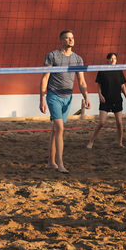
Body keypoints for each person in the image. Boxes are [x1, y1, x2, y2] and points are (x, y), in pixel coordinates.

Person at [39, 29, 90, 173]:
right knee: (60, 128)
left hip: (68, 97)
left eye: (72, 38)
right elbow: (45, 78)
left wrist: (86, 97)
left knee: (56, 130)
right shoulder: (52, 56)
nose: (70, 40)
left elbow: (81, 81)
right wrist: (42, 98)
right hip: (53, 95)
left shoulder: (78, 59)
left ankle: (51, 161)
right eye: (67, 38)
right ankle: (60, 164)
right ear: (61, 40)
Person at [86, 52, 126, 148]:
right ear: (107, 60)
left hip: (117, 99)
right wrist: (100, 95)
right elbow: (99, 85)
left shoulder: (119, 70)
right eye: (111, 58)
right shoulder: (102, 70)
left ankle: (119, 143)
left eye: (114, 58)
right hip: (105, 100)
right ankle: (91, 142)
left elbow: (122, 85)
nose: (112, 60)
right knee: (101, 123)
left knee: (119, 123)